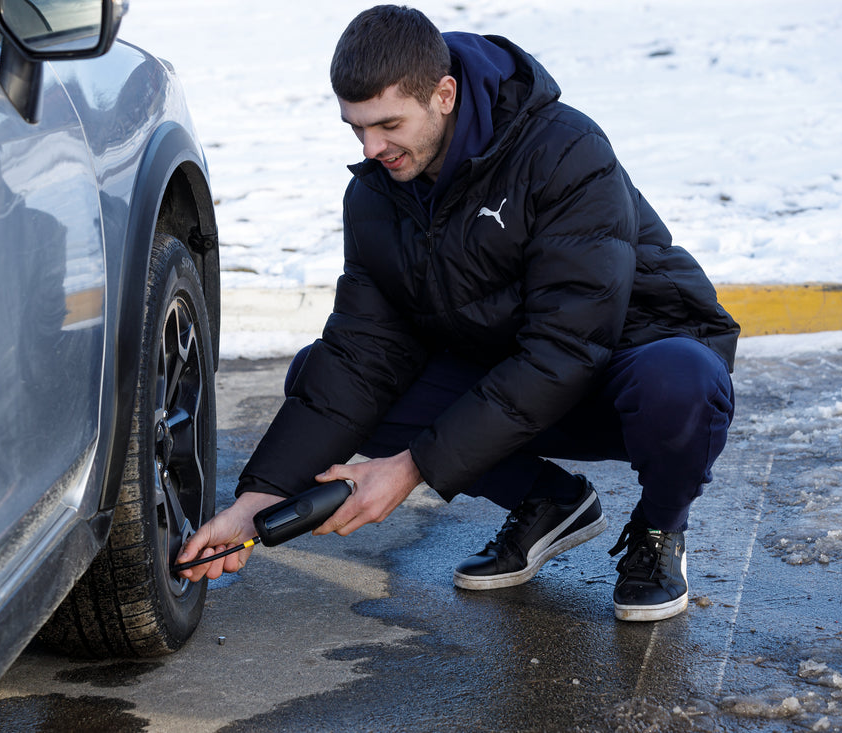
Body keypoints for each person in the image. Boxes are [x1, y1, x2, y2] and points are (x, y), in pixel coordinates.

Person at [177, 5, 738, 622]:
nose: (370, 148)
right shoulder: (376, 192)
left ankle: (659, 533)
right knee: (316, 370)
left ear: (444, 94)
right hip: (515, 373)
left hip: (622, 374)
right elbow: (361, 357)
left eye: (388, 124)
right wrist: (257, 502)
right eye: (356, 127)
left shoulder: (565, 153)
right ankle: (550, 501)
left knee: (683, 378)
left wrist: (410, 469)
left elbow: (566, 349)